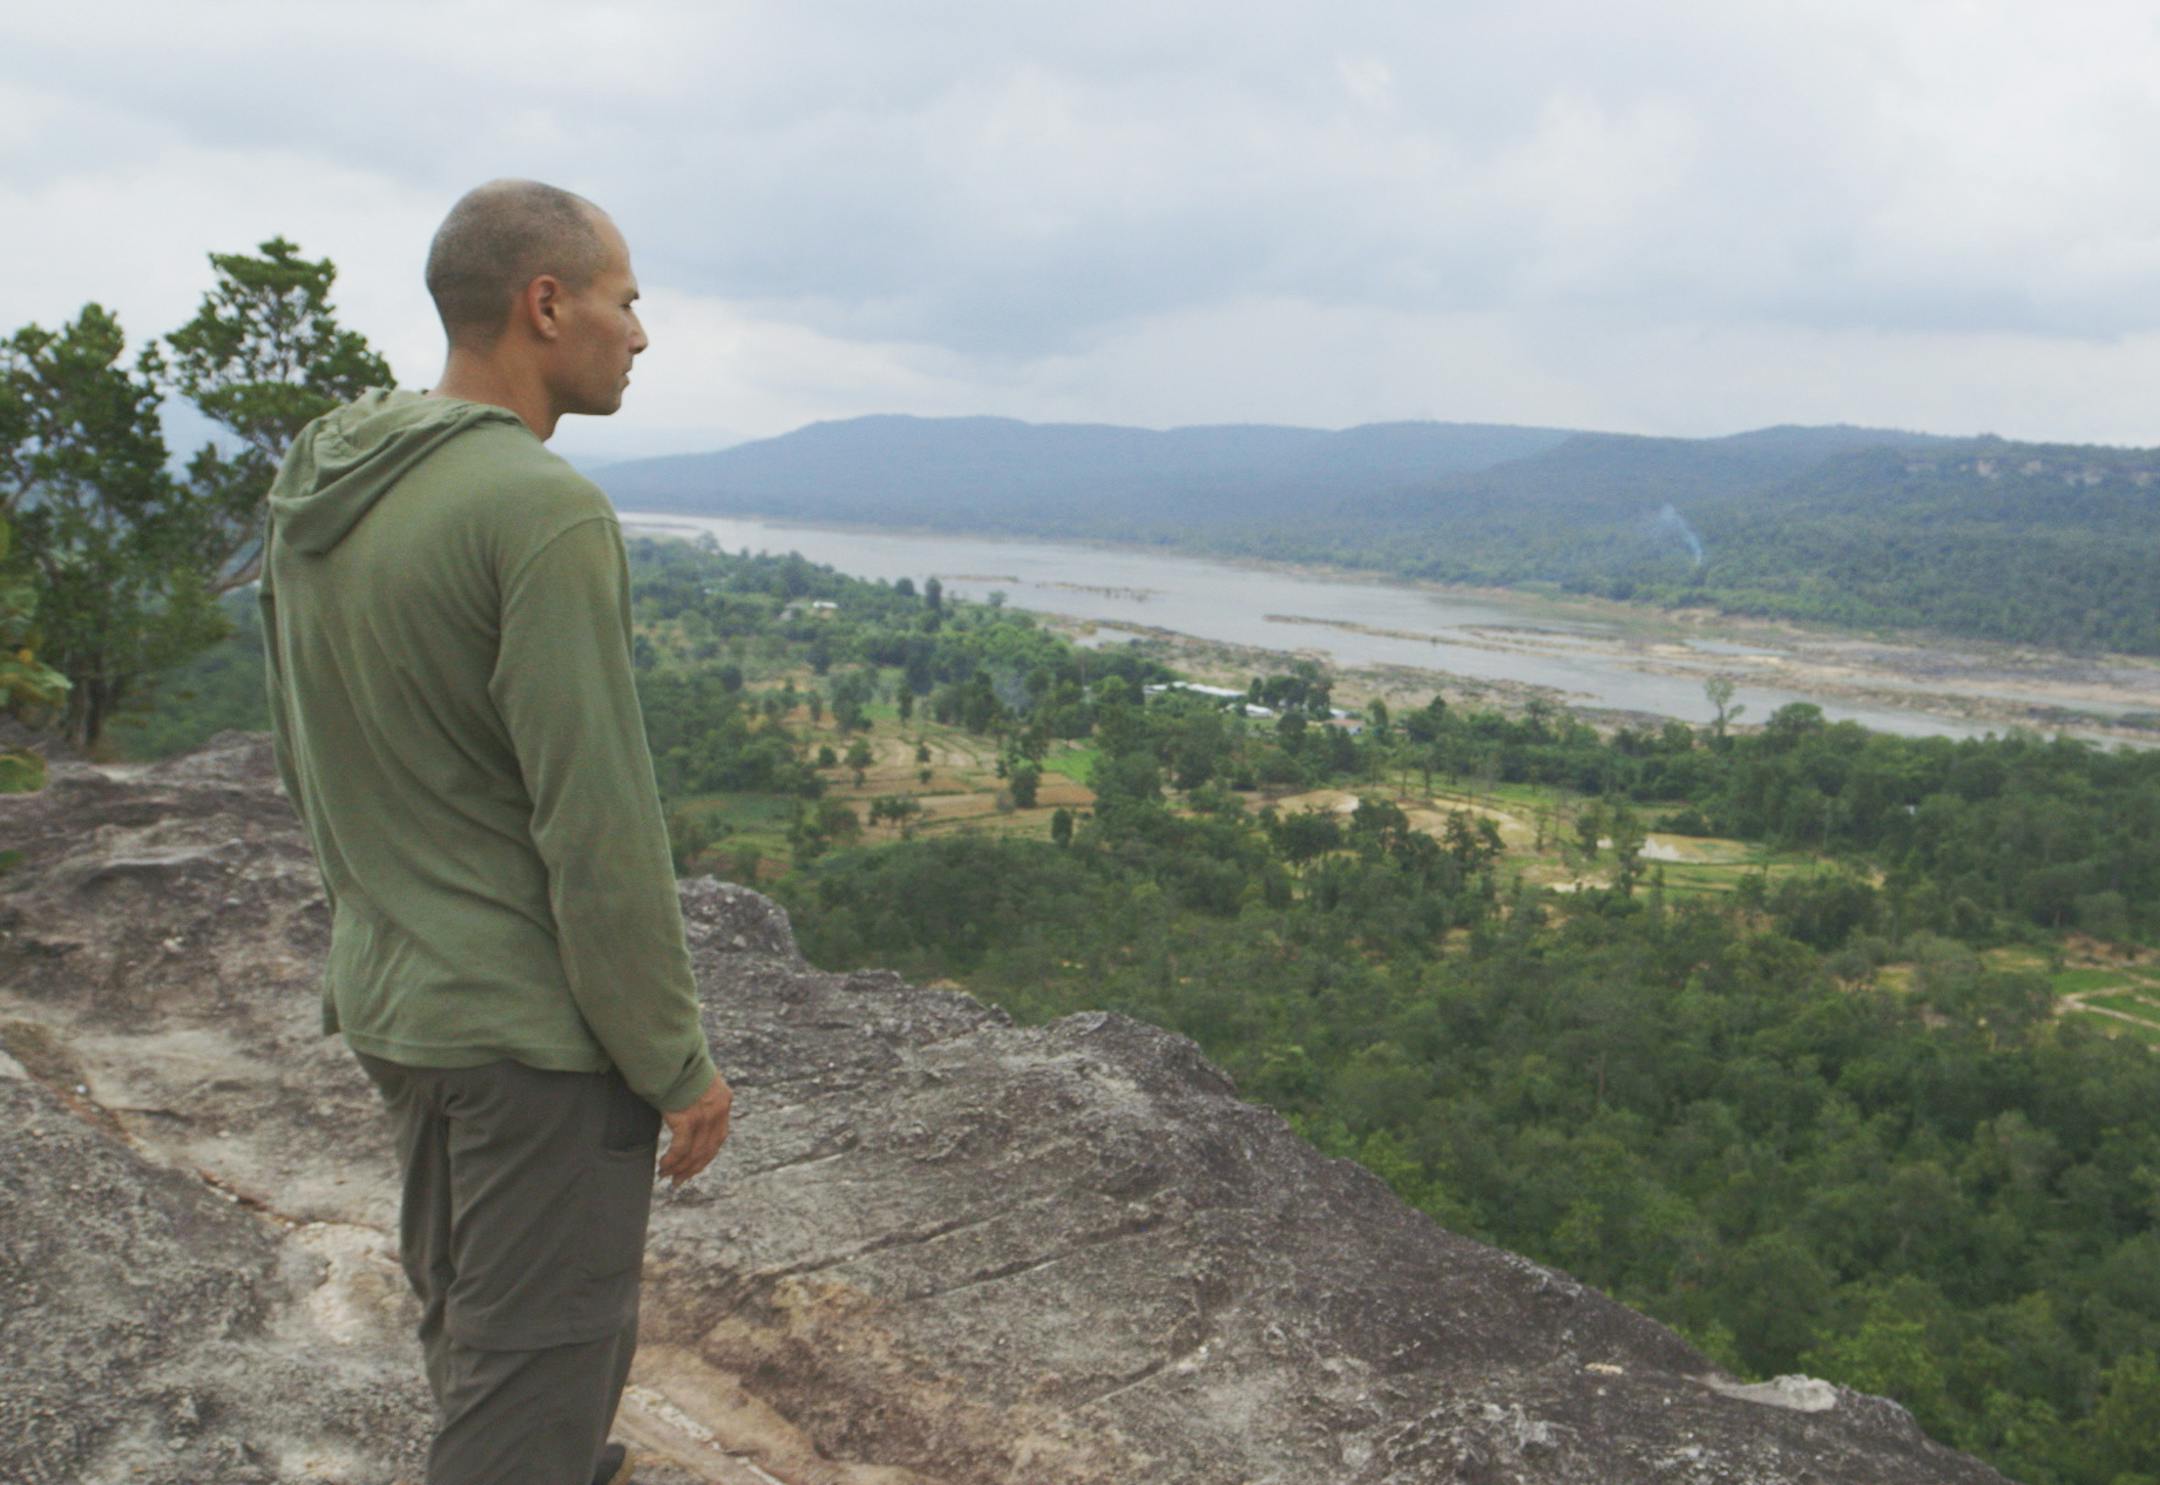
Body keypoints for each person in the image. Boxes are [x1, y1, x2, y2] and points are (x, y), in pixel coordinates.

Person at [259, 179, 734, 1485]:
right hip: (532, 1038)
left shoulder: (328, 486)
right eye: (624, 299)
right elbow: (600, 823)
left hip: (397, 1001)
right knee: (536, 1370)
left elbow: (307, 748)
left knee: (476, 1336)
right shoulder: (537, 511)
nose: (639, 332)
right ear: (545, 304)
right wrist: (674, 1058)